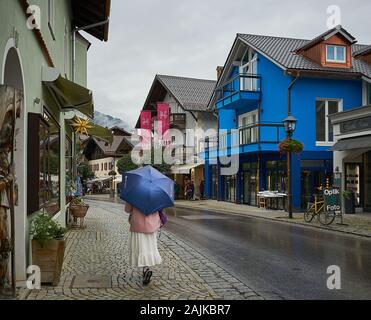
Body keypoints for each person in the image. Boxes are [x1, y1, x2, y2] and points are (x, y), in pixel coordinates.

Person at [125, 202, 162, 285]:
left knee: (142, 248)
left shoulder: (134, 193)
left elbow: (127, 210)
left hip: (138, 224)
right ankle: (146, 269)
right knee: (149, 247)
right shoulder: (155, 193)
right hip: (152, 224)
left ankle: (145, 270)